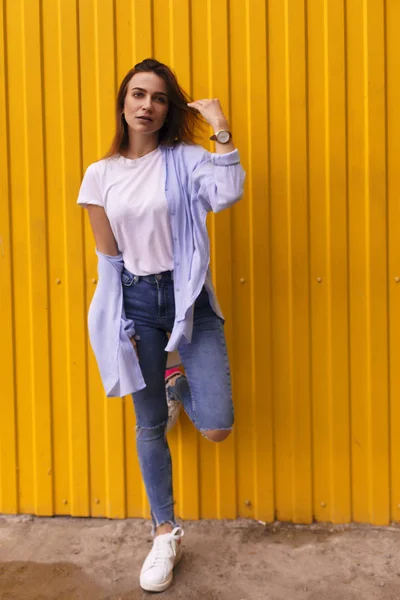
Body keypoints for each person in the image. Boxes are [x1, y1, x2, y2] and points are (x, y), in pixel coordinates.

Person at [77, 58, 245, 593]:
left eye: (158, 97)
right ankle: (165, 531)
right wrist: (116, 320)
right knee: (149, 424)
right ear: (123, 104)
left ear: (168, 108)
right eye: (137, 95)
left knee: (217, 424)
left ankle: (178, 381)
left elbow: (229, 192)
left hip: (189, 299)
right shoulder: (100, 175)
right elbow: (110, 260)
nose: (146, 105)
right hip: (137, 302)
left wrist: (220, 128)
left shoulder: (187, 160)